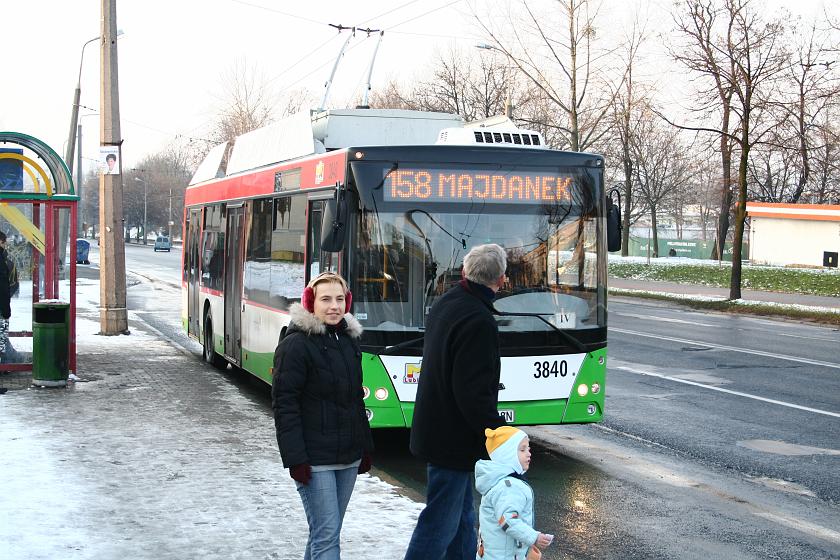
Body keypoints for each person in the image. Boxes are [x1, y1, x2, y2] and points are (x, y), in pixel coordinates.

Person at [404, 243, 509, 560]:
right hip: (453, 439)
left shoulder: (447, 301)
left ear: (465, 271)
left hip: (440, 431)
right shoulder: (478, 320)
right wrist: (499, 433)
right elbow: (472, 393)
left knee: (463, 520)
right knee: (439, 524)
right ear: (501, 280)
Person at [272, 271, 374, 560]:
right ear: (310, 303)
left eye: (340, 299)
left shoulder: (349, 341)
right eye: (326, 299)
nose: (334, 306)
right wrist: (296, 460)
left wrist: (365, 447)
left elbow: (355, 399)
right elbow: (284, 405)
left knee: (324, 533)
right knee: (327, 537)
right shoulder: (295, 345)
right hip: (315, 461)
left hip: (348, 456)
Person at [475, 427, 553, 560]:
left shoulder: (498, 481)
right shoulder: (508, 487)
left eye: (528, 449)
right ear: (507, 455)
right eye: (522, 450)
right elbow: (508, 521)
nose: (528, 453)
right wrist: (534, 537)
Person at [0, 232, 18, 364]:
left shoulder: (6, 260)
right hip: (2, 307)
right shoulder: (6, 261)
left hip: (3, 305)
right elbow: (8, 287)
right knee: (2, 338)